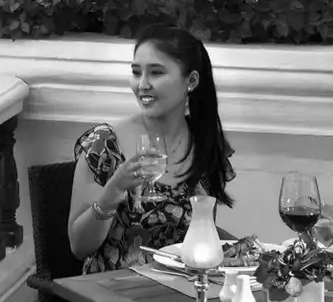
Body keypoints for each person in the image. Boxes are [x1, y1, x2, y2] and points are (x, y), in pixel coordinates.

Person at [69, 25, 235, 274]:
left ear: (191, 81)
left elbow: (203, 235)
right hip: (111, 296)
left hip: (185, 292)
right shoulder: (103, 145)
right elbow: (79, 247)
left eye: (156, 73)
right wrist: (114, 190)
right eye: (136, 73)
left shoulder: (204, 143)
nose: (142, 84)